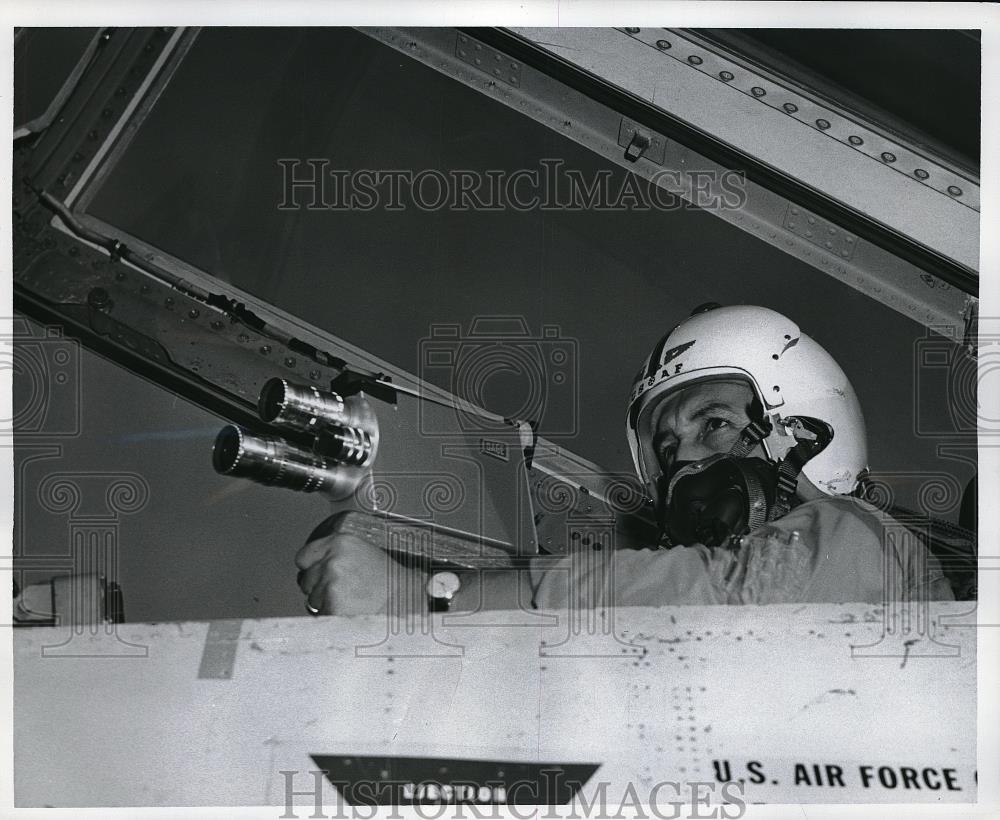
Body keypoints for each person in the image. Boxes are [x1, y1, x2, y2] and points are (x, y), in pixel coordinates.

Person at [295, 305, 954, 615]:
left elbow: (713, 595)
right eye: (665, 449)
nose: (683, 463)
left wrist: (417, 597)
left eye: (714, 425)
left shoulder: (868, 544)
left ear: (805, 432)